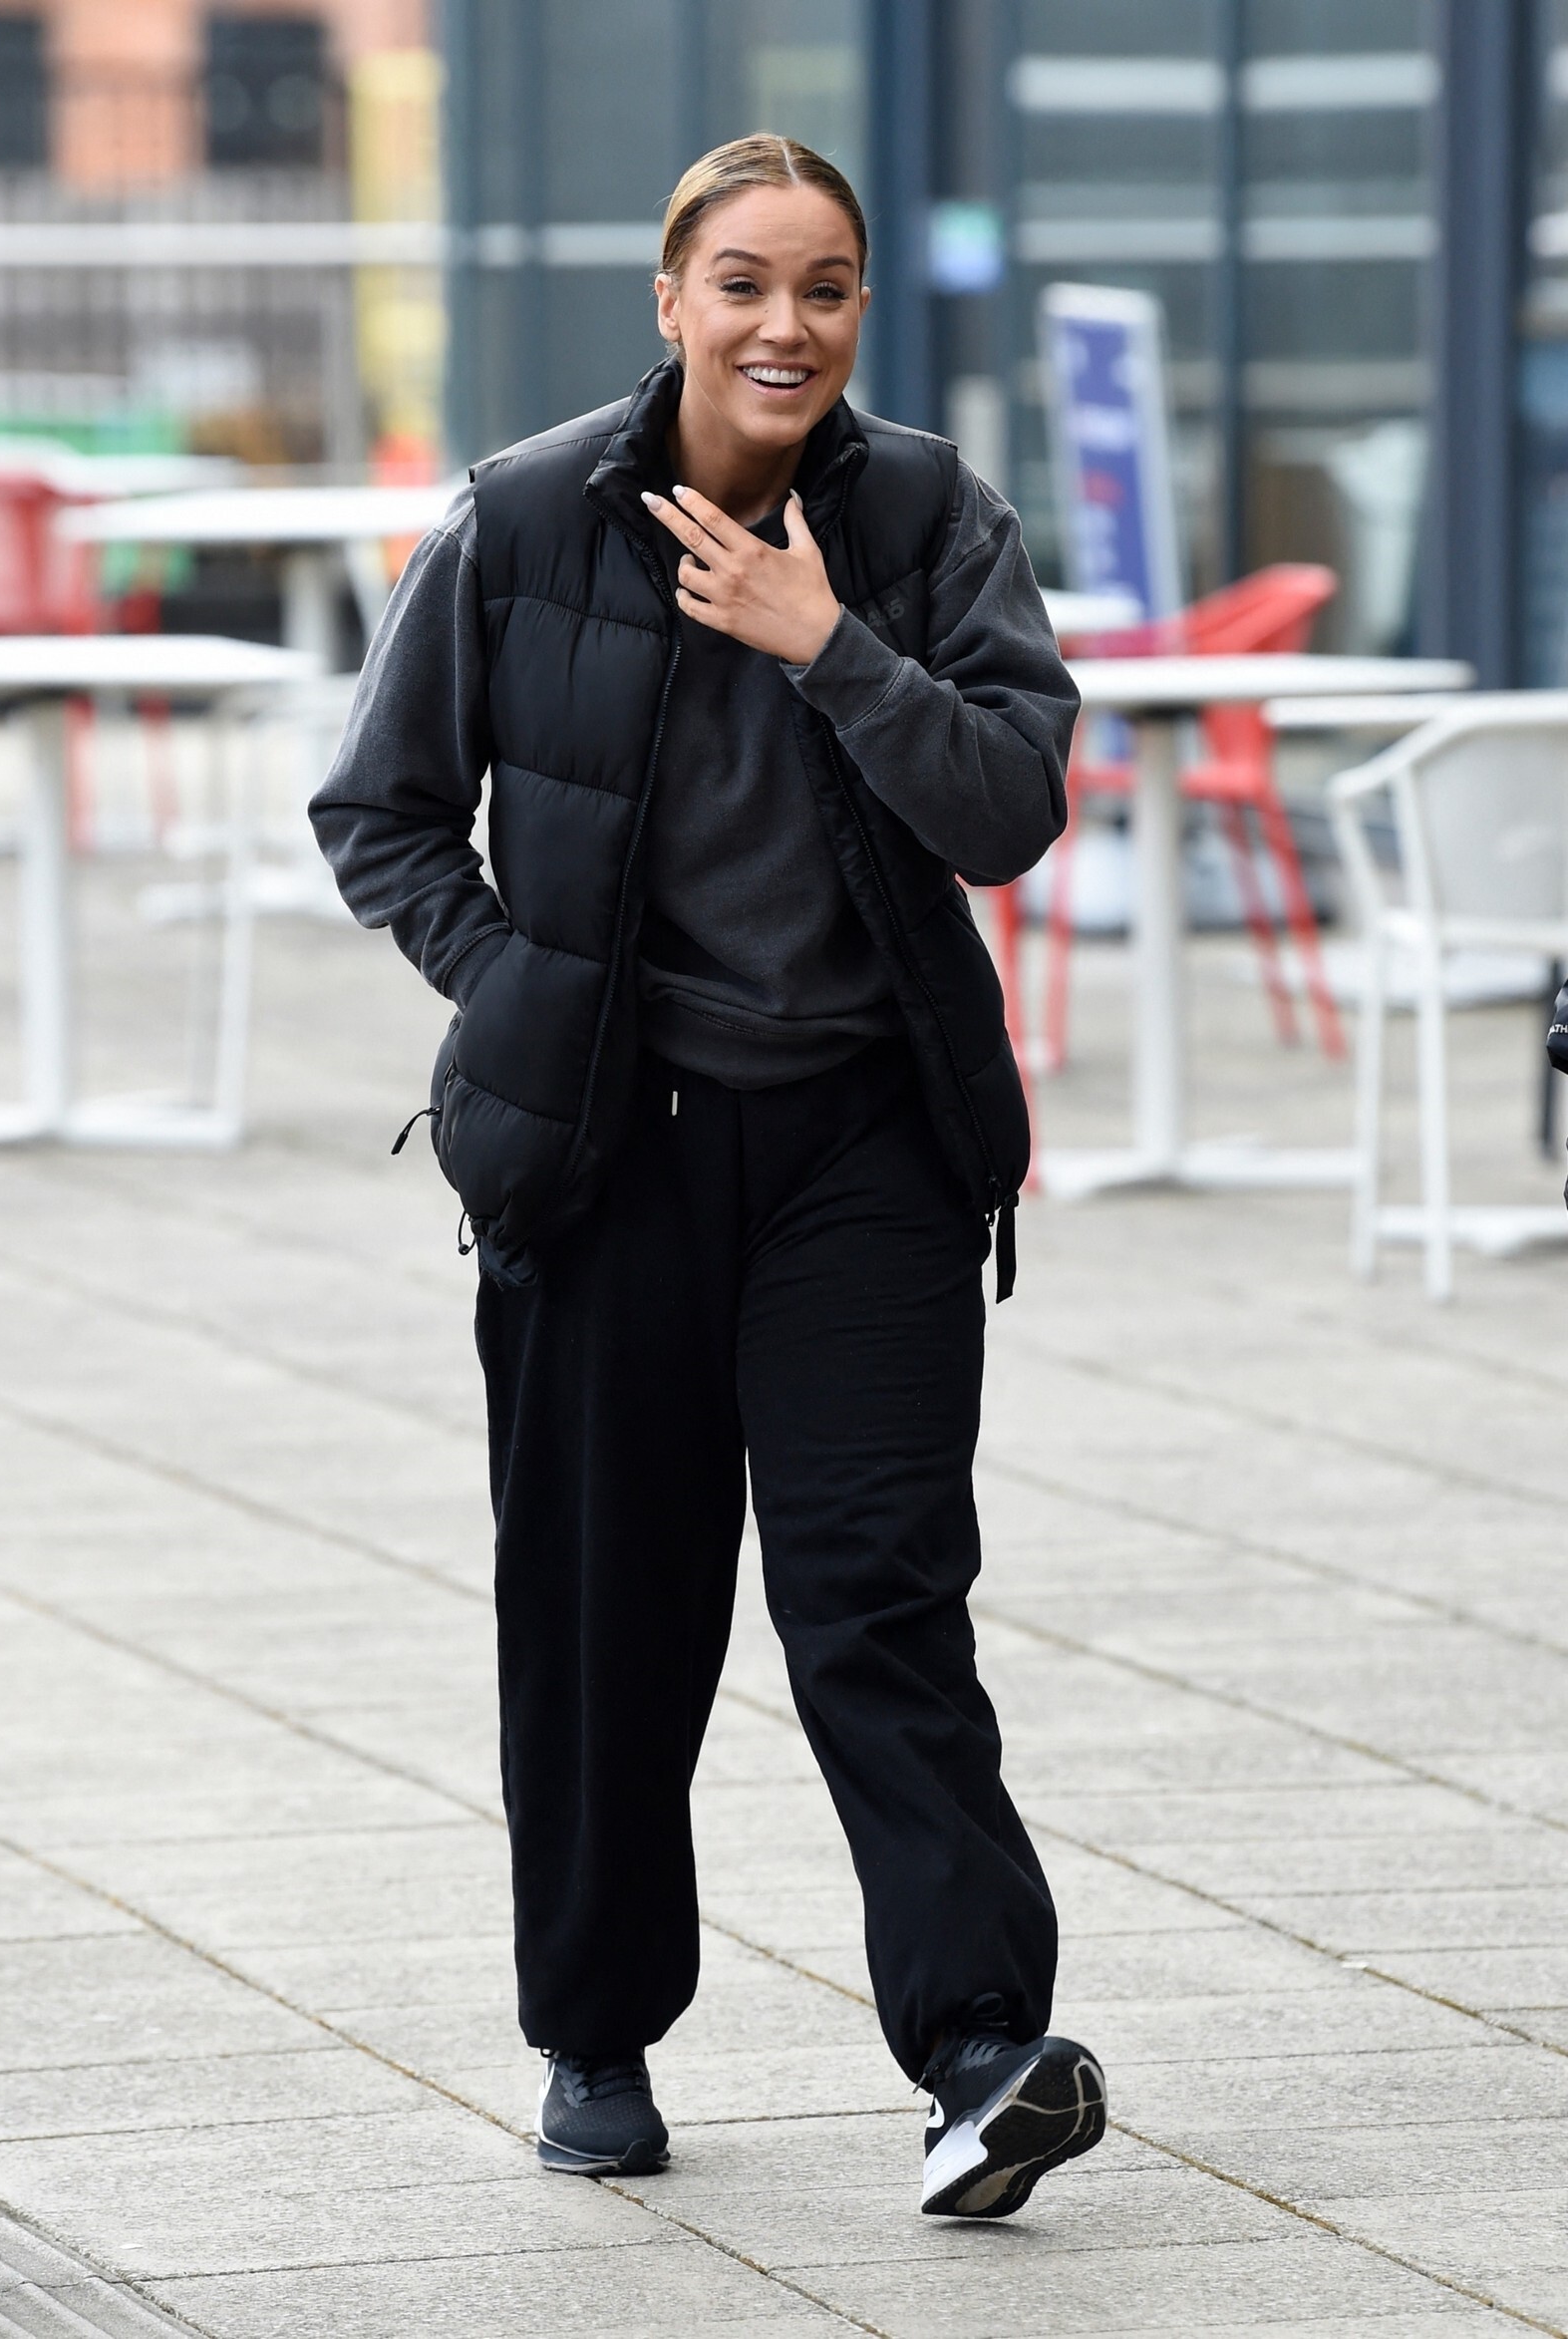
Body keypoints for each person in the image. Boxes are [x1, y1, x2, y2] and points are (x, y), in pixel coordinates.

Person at [310, 134, 1104, 2221]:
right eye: (743, 281)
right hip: (610, 1151)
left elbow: (1010, 808)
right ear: (668, 298)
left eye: (824, 287)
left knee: (881, 1603)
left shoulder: (925, 515)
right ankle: (594, 2032)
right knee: (608, 1617)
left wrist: (826, 641)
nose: (784, 323)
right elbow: (380, 809)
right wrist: (524, 994)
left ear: (860, 310)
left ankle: (980, 2052)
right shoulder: (520, 515)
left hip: (867, 1145)